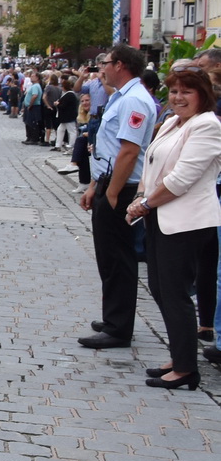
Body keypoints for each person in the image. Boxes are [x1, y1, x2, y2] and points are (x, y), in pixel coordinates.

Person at [126, 70, 221, 389]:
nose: (179, 97)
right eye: (175, 91)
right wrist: (141, 196)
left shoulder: (207, 125)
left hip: (186, 220)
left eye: (187, 92)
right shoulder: (171, 122)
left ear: (203, 95)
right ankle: (180, 355)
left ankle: (186, 369)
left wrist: (146, 204)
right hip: (159, 214)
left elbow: (182, 179)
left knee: (175, 291)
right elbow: (151, 165)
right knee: (159, 286)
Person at [79, 46, 160, 349]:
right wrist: (94, 186)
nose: (103, 68)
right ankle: (114, 316)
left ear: (121, 65)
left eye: (107, 63)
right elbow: (111, 150)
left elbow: (129, 150)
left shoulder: (135, 99)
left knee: (118, 258)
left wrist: (111, 192)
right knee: (109, 257)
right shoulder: (123, 96)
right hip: (109, 182)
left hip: (122, 187)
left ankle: (118, 327)